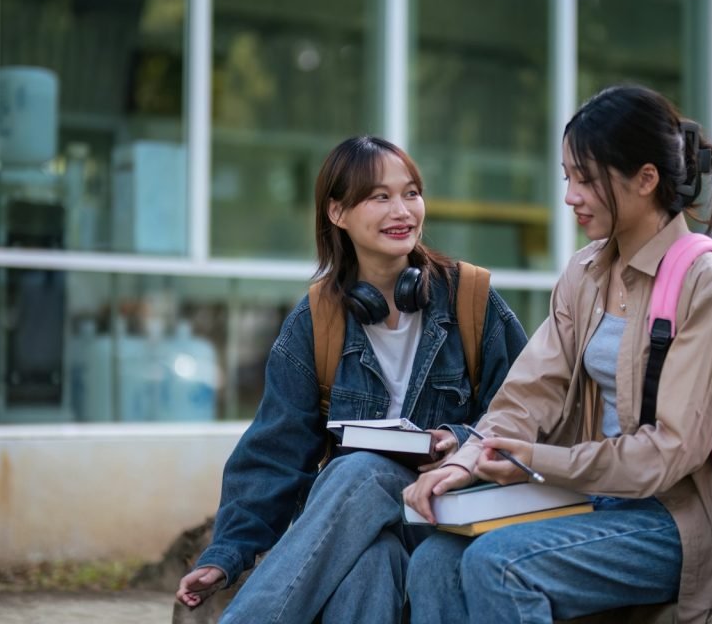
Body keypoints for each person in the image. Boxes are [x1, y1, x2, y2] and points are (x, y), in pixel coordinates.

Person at [403, 85, 712, 624]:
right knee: (435, 560)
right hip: (589, 500)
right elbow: (529, 392)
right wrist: (467, 460)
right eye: (568, 178)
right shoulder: (585, 273)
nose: (570, 196)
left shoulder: (709, 284)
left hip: (671, 517)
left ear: (646, 179)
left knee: (500, 564)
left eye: (586, 179)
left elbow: (670, 453)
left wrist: (539, 462)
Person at [176, 135, 529, 623]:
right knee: (370, 565)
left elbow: (529, 411)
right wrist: (225, 556)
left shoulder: (471, 301)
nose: (402, 210)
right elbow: (273, 454)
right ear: (337, 212)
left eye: (410, 192)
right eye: (379, 197)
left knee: (358, 470)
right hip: (363, 529)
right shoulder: (316, 321)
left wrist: (460, 439)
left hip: (450, 517)